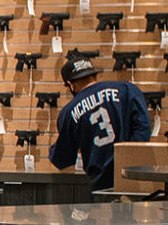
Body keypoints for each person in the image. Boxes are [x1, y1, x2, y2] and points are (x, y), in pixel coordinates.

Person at [48, 55, 151, 191]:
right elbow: (143, 130)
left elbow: (62, 159)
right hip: (132, 178)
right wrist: (127, 160)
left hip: (100, 183)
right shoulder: (127, 90)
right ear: (94, 75)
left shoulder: (69, 112)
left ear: (71, 84)